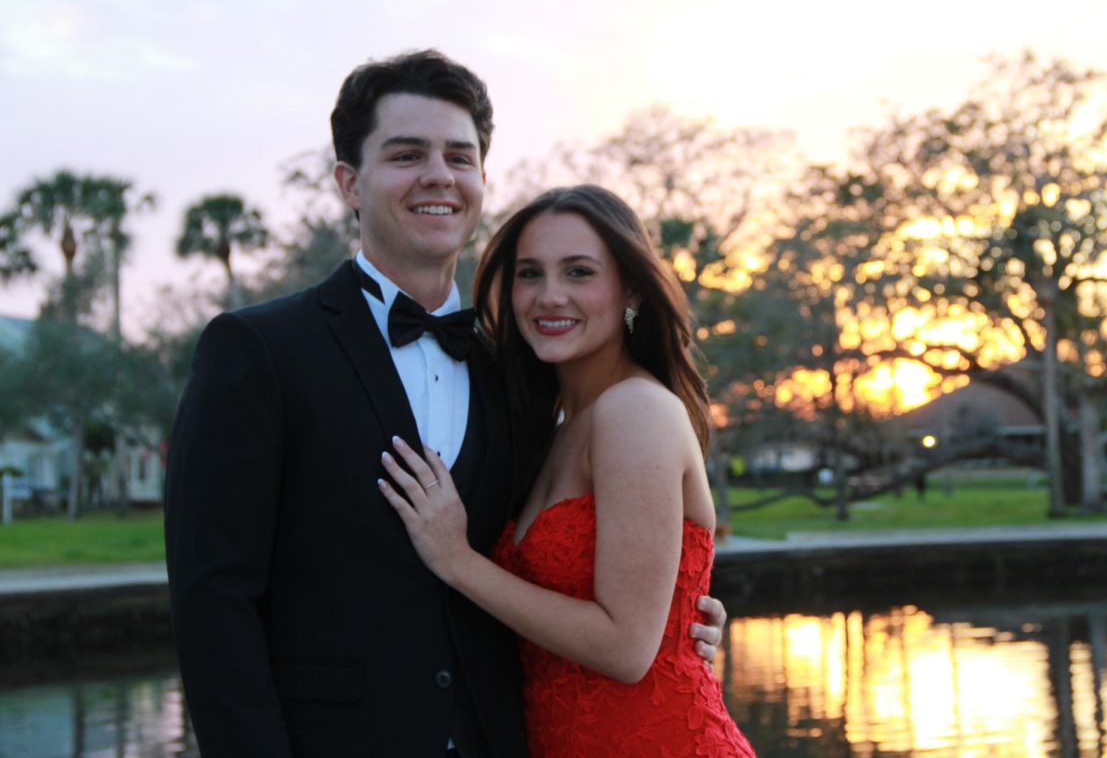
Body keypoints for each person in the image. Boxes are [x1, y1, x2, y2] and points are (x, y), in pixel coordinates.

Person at [164, 51, 726, 758]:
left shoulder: (517, 374)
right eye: (406, 154)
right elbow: (212, 604)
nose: (438, 175)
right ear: (349, 182)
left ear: (482, 182)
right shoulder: (259, 350)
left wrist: (687, 615)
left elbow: (604, 557)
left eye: (459, 157)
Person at [377, 185, 756, 757]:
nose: (549, 296)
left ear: (630, 287)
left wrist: (457, 561)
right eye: (530, 274)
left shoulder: (637, 410)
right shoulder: (552, 431)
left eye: (579, 273)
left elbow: (628, 648)